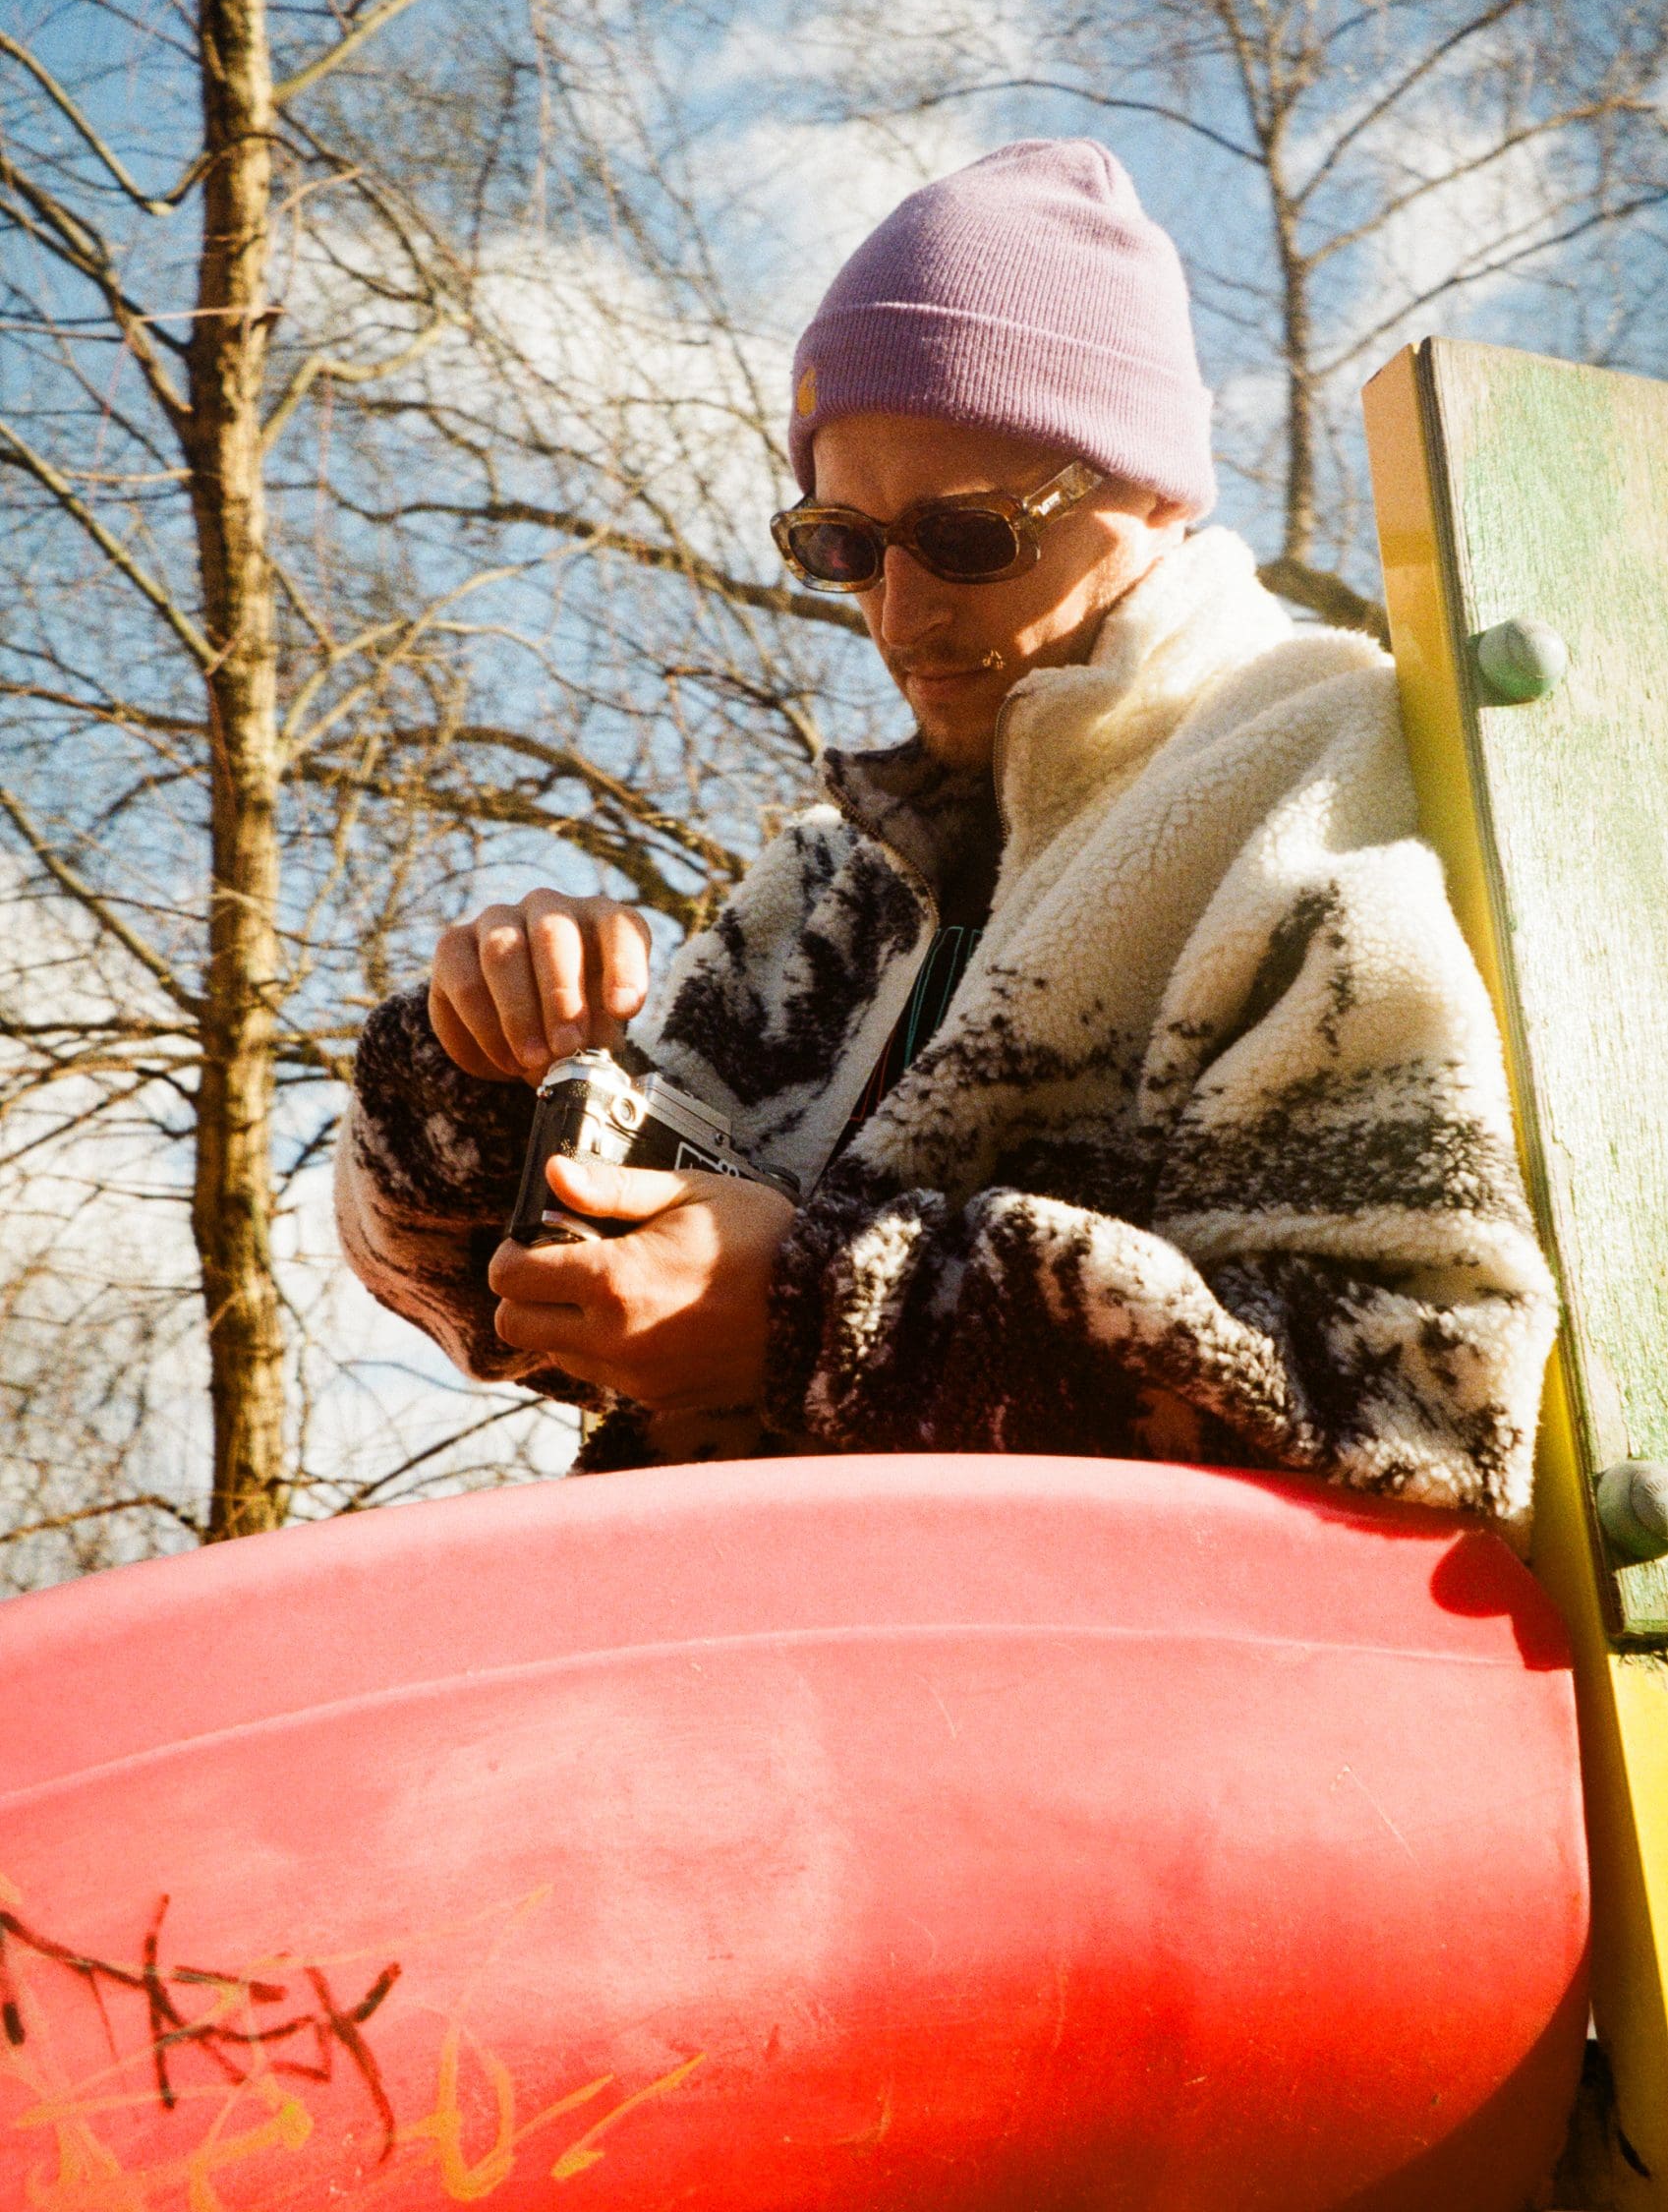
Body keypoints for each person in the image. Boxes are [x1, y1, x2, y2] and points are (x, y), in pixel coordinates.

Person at [335, 139, 1556, 1530]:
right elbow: (474, 1309)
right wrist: (484, 1063)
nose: (900, 621)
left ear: (1151, 492)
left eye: (970, 538)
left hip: (1111, 1716)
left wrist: (812, 1316)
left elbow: (1417, 1385)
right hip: (752, 1671)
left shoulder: (1304, 779)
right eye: (843, 547)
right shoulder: (832, 883)